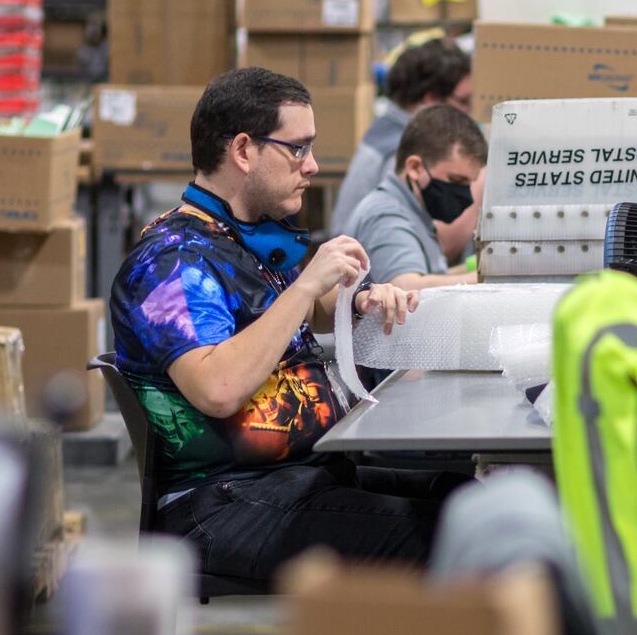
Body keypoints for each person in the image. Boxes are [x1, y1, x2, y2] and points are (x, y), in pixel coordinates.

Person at [109, 68, 463, 581]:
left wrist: (357, 299)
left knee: (471, 500)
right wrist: (304, 286)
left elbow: (268, 315)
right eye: (297, 148)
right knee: (450, 540)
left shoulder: (241, 238)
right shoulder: (171, 262)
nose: (312, 165)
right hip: (223, 503)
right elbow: (218, 387)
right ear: (244, 151)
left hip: (296, 477)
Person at [329, 38, 475, 257]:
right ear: (430, 100)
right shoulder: (400, 151)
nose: (469, 112)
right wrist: (480, 179)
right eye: (463, 102)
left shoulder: (387, 128)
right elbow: (440, 245)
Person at [348, 103, 485, 291]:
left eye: (468, 183)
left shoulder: (413, 213)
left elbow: (430, 276)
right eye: (455, 180)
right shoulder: (386, 216)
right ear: (415, 168)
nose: (464, 194)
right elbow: (406, 287)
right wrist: (484, 279)